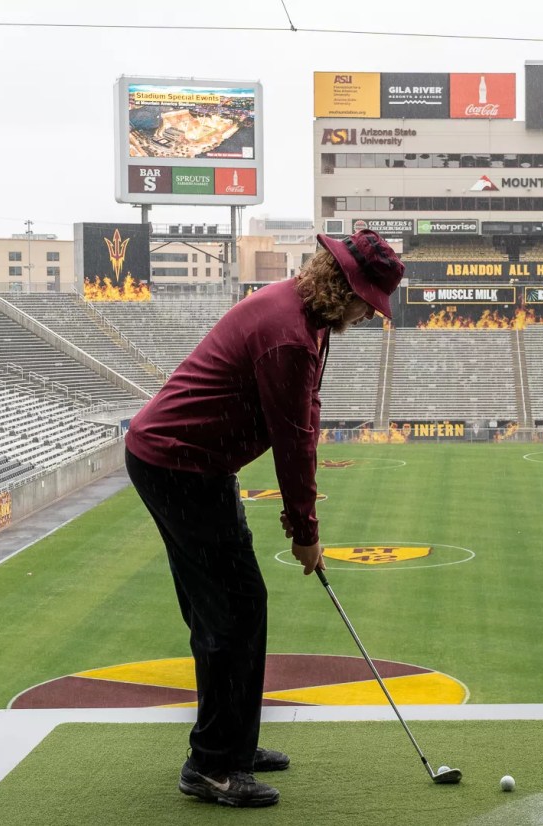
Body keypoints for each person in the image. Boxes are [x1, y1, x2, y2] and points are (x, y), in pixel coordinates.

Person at [124, 230, 404, 808]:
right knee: (232, 611)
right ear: (342, 287)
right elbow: (292, 442)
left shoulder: (309, 320)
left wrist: (305, 525)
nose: (365, 314)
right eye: (364, 301)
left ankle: (231, 744)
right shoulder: (289, 336)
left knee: (229, 609)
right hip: (178, 465)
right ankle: (212, 766)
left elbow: (308, 408)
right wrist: (306, 532)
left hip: (196, 465)